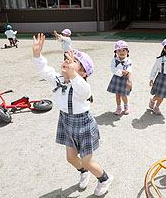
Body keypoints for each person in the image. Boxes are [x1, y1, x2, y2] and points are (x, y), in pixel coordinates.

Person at [32, 33, 113, 196]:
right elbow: (45, 71)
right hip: (66, 122)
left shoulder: (81, 85)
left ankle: (104, 178)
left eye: (74, 61)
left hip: (82, 124)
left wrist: (73, 75)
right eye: (67, 58)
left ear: (83, 73)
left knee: (87, 161)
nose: (68, 61)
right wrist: (37, 55)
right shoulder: (59, 80)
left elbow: (84, 91)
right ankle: (83, 172)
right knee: (71, 158)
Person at [107, 40, 132, 115]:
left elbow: (129, 71)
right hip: (116, 78)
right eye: (119, 51)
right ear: (116, 52)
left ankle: (126, 106)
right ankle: (118, 107)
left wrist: (130, 81)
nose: (122, 52)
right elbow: (113, 69)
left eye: (124, 50)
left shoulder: (128, 61)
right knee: (117, 94)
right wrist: (121, 72)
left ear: (127, 52)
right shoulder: (114, 60)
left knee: (124, 95)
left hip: (124, 79)